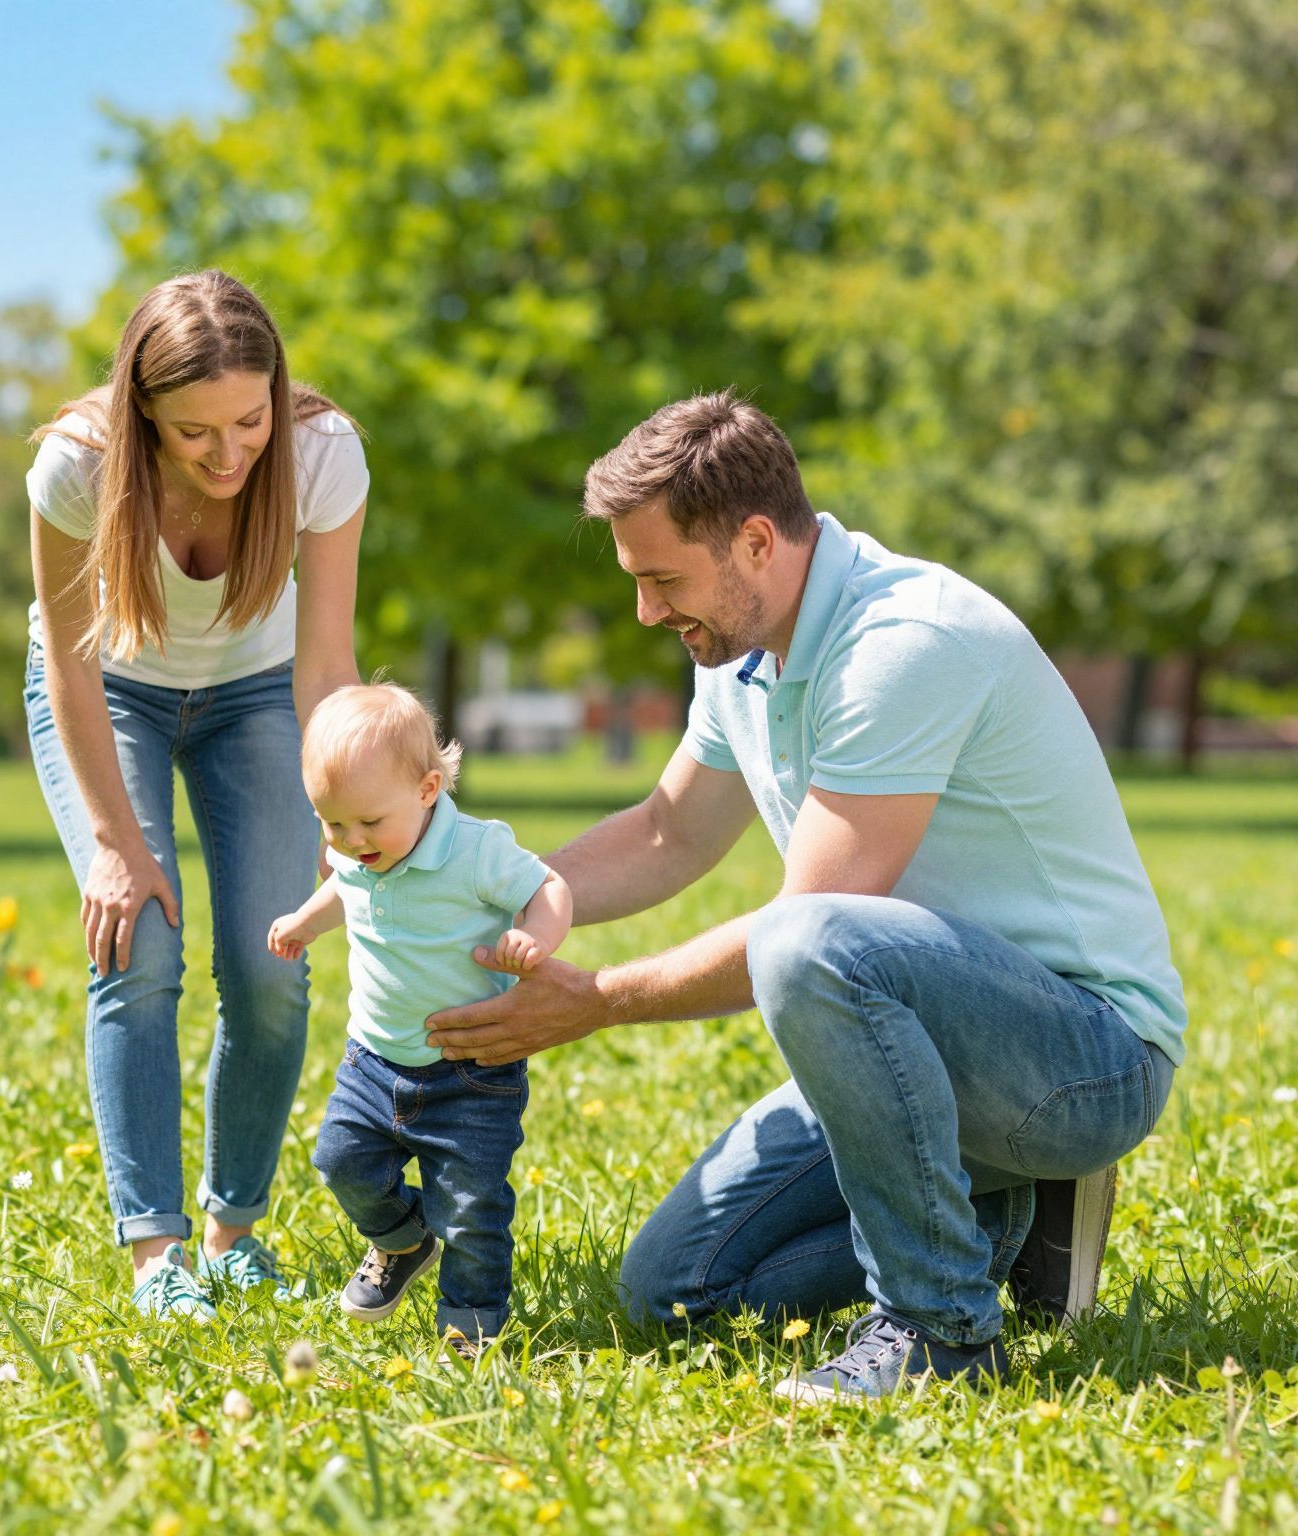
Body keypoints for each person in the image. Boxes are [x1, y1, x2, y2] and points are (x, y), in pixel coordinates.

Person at [423, 392, 1185, 1401]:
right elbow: (667, 832)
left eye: (660, 579)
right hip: (917, 1044)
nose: (645, 611)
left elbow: (811, 925)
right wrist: (491, 896)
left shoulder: (901, 644)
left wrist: (595, 998)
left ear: (751, 542)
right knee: (674, 1291)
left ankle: (939, 1330)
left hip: (1082, 1056)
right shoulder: (738, 651)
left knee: (807, 941)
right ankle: (1001, 1219)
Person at [24, 270, 369, 1319]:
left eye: (247, 422)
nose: (227, 455)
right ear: (140, 415)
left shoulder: (319, 457)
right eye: (192, 433)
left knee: (270, 960)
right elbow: (71, 667)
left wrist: (339, 803)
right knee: (139, 943)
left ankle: (231, 1236)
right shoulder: (73, 471)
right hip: (108, 691)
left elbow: (324, 661)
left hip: (259, 693)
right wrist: (114, 844)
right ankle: (154, 1256)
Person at [267, 682, 572, 1352]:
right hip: (372, 1062)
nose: (350, 841)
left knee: (471, 1209)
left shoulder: (476, 850)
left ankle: (472, 1323)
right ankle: (404, 1240)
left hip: (470, 1074)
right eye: (332, 823)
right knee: (340, 1160)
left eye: (368, 823)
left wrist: (536, 939)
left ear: (429, 789)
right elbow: (342, 891)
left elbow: (548, 887)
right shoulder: (358, 851)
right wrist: (303, 922)